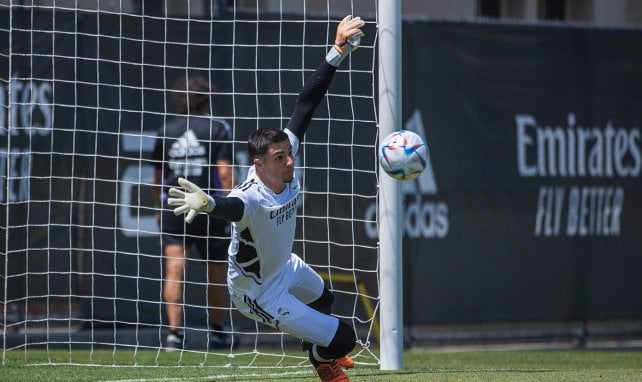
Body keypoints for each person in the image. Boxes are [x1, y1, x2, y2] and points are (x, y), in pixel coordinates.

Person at [167, 15, 365, 382]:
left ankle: (319, 347)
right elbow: (231, 208)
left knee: (323, 298)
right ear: (259, 164)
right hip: (256, 291)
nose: (290, 161)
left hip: (284, 266)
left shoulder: (285, 155)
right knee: (346, 338)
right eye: (280, 158)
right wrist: (208, 203)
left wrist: (337, 50)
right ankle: (325, 359)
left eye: (289, 153)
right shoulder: (251, 196)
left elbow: (307, 102)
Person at [151, 74, 236, 351]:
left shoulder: (166, 130)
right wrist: (231, 207)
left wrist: (158, 206)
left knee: (174, 270)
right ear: (206, 98)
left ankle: (175, 335)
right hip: (209, 208)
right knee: (216, 271)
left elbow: (158, 178)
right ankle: (219, 332)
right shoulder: (217, 127)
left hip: (174, 208)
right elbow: (224, 175)